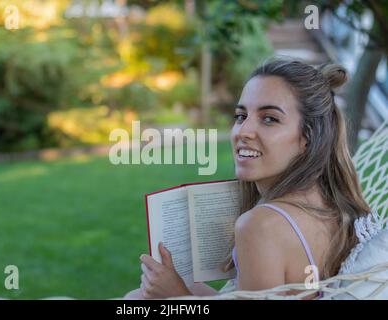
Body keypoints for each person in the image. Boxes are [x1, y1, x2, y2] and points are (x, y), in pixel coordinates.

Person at [123, 58, 372, 299]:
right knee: (140, 296)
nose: (243, 131)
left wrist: (178, 296)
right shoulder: (332, 206)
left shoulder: (260, 225)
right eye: (241, 116)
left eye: (269, 119)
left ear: (308, 138)